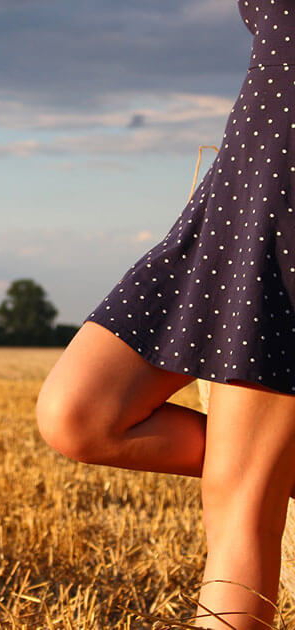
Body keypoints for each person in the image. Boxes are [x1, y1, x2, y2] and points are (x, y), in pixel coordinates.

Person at [35, 1, 295, 628]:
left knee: (238, 507)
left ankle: (260, 470)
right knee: (79, 415)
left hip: (286, 209)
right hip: (237, 197)